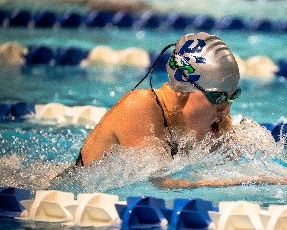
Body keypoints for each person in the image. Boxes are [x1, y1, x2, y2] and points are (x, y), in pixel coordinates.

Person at [75, 31, 286, 189]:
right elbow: (159, 184)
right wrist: (256, 181)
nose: (225, 109)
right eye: (217, 97)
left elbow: (244, 154)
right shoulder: (140, 107)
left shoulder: (213, 119)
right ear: (182, 90)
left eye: (232, 96)